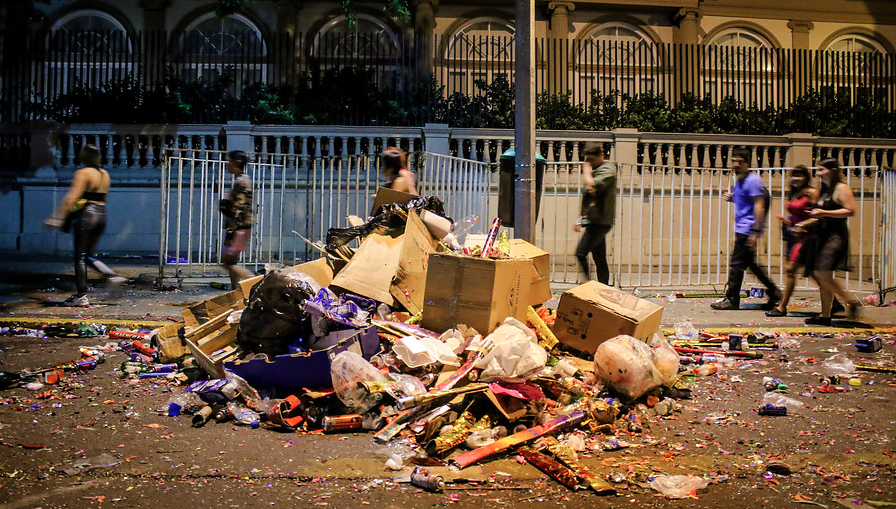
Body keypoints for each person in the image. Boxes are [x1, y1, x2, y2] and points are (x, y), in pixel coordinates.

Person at [45, 144, 126, 307]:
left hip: (87, 215)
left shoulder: (83, 173)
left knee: (80, 257)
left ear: (85, 156)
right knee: (88, 254)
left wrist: (58, 217)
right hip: (102, 214)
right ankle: (110, 276)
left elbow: (72, 198)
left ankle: (81, 296)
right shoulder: (105, 174)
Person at [711, 147, 781, 311]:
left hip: (748, 228)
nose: (735, 165)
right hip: (742, 227)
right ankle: (774, 292)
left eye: (739, 162)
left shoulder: (753, 180)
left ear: (747, 163)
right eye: (734, 161)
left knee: (737, 264)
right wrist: (733, 198)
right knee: (750, 264)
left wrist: (755, 232)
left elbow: (759, 205)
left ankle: (732, 299)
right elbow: (746, 201)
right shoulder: (740, 181)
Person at [802, 159, 862, 325]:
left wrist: (824, 212)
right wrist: (806, 222)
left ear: (833, 170)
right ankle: (825, 315)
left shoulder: (842, 188)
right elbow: (821, 213)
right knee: (822, 276)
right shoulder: (825, 190)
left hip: (836, 237)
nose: (819, 173)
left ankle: (851, 302)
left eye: (822, 170)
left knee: (823, 272)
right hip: (822, 235)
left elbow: (850, 211)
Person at [765, 165, 819, 317]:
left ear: (806, 177)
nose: (796, 178)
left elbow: (817, 216)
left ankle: (782, 307)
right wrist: (788, 222)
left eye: (800, 175)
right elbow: (796, 214)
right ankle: (835, 303)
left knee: (791, 270)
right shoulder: (795, 193)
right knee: (813, 272)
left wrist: (803, 224)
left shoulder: (812, 192)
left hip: (807, 237)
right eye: (794, 175)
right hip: (793, 236)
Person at [573, 144, 617, 285]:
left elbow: (591, 186)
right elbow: (590, 199)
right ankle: (604, 287)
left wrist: (586, 170)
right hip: (594, 220)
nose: (589, 163)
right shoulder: (597, 169)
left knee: (580, 253)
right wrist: (581, 218)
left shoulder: (608, 170)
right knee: (599, 258)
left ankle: (587, 284)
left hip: (600, 221)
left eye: (591, 160)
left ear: (600, 156)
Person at [219, 150, 255, 291]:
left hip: (239, 227)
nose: (228, 164)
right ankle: (235, 292)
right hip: (242, 226)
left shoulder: (241, 182)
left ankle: (254, 282)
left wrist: (230, 232)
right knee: (232, 262)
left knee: (228, 263)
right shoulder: (243, 180)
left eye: (230, 161)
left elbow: (237, 209)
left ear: (237, 163)